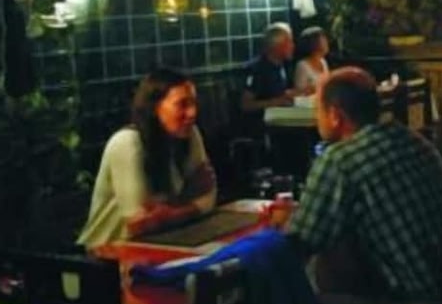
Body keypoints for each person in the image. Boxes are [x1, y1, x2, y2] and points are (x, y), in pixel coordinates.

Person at [288, 67, 442, 298]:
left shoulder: (339, 159)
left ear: (334, 115)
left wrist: (282, 224)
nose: (316, 118)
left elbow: (300, 242)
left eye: (317, 110)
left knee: (313, 268)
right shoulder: (410, 137)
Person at [77, 68, 217, 247]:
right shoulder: (127, 143)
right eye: (182, 104)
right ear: (154, 107)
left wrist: (168, 214)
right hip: (106, 253)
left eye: (193, 103)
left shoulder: (190, 135)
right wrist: (189, 195)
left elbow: (208, 196)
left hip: (164, 243)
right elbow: (140, 224)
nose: (192, 113)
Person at [241, 22, 297, 136]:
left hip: (281, 118)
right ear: (277, 46)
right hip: (263, 125)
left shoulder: (284, 65)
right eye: (289, 42)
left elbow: (280, 93)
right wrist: (276, 102)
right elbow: (246, 105)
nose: (293, 46)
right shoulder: (257, 69)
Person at [294, 26, 330, 95]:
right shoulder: (302, 65)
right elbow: (299, 92)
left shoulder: (323, 62)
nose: (327, 43)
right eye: (323, 40)